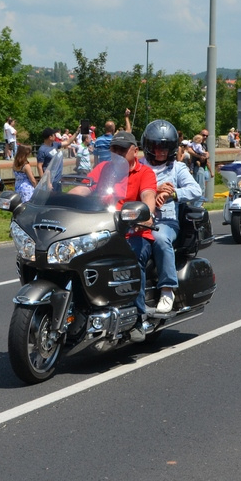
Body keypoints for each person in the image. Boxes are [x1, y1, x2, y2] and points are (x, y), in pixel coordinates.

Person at [70, 131, 158, 340]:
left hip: (134, 232)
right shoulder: (103, 169)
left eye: (122, 149)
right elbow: (84, 188)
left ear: (134, 151)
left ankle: (137, 317)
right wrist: (62, 199)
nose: (117, 153)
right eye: (114, 149)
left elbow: (148, 196)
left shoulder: (145, 172)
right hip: (102, 230)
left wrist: (145, 213)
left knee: (133, 260)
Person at [139, 120, 202, 315]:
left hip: (165, 221)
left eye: (165, 148)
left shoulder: (177, 168)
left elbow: (196, 190)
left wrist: (173, 194)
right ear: (148, 146)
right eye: (156, 147)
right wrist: (153, 190)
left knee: (160, 239)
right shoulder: (139, 166)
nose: (161, 152)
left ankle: (167, 290)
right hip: (138, 222)